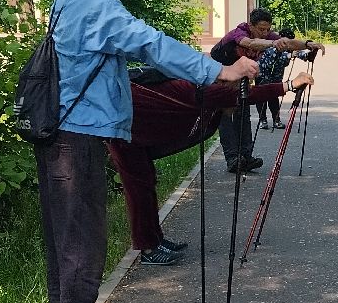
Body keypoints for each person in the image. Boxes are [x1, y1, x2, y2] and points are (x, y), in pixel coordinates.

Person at [36, 0, 258, 303]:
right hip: (75, 136)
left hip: (60, 133)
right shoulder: (98, 7)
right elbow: (152, 43)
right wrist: (220, 70)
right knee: (82, 238)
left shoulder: (65, 1)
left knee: (65, 235)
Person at [109, 70, 315, 266]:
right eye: (235, 93)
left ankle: (155, 241)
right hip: (121, 127)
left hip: (138, 132)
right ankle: (148, 250)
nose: (237, 103)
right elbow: (248, 96)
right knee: (139, 190)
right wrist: (288, 85)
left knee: (146, 184)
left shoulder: (211, 105)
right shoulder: (202, 91)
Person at [212, 8, 324, 173]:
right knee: (226, 116)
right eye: (261, 29)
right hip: (219, 75)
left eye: (267, 29)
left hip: (239, 76)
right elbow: (250, 43)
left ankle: (246, 157)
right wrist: (273, 43)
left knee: (243, 114)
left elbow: (288, 43)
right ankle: (233, 159)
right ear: (251, 25)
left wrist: (308, 44)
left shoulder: (268, 35)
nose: (264, 33)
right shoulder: (239, 32)